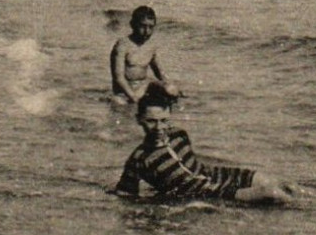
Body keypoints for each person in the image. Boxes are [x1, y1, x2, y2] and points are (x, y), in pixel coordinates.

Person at [112, 85, 293, 204]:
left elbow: (193, 167)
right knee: (272, 194)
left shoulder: (179, 135)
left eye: (164, 120)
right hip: (206, 192)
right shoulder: (139, 159)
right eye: (151, 121)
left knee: (279, 183)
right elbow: (125, 195)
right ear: (139, 120)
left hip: (220, 175)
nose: (159, 127)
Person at [109, 6, 178, 105]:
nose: (147, 31)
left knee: (171, 89)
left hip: (144, 87)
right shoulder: (122, 45)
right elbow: (119, 78)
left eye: (150, 27)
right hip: (125, 91)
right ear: (133, 25)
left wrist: (171, 87)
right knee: (117, 103)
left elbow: (160, 73)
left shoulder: (151, 46)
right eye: (142, 26)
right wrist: (133, 97)